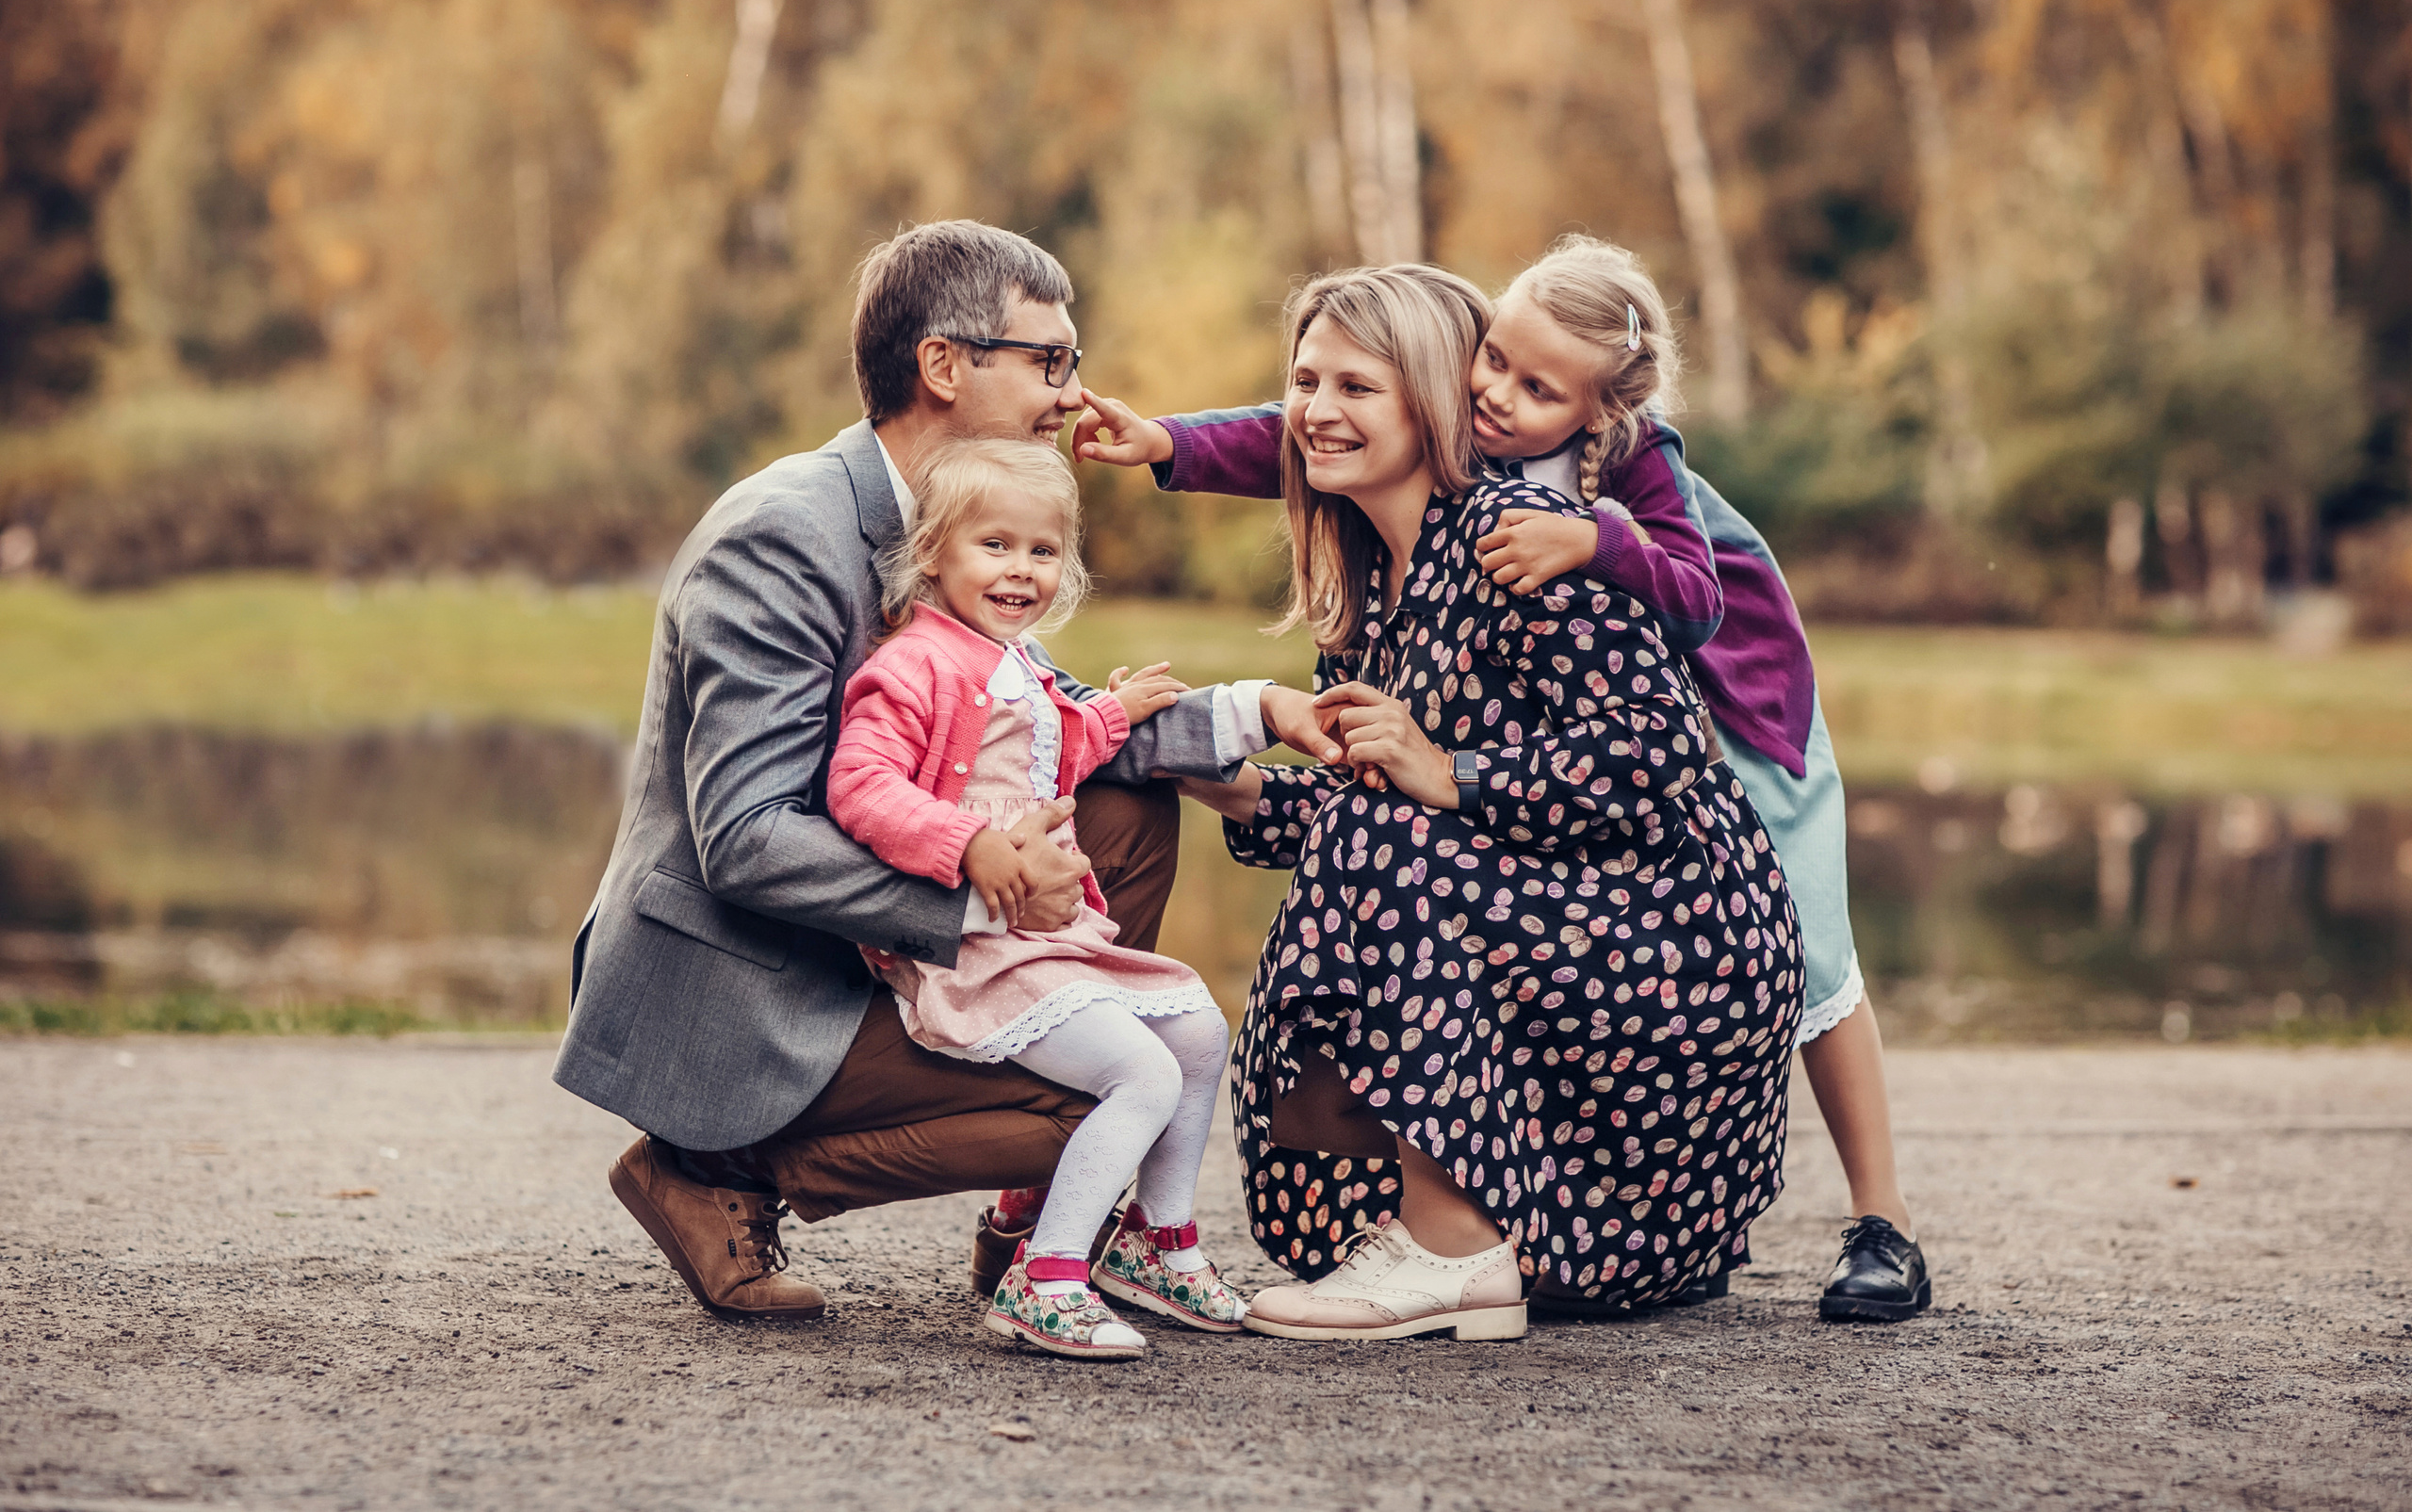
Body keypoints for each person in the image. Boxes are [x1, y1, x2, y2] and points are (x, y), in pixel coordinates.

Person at [1077, 236, 1932, 1324]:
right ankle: (1404, 1232)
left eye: (1354, 385)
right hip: (1597, 871)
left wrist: (1448, 766)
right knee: (1373, 832)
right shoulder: (1386, 564)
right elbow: (1286, 436)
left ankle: (1866, 1217)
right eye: (1305, 379)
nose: (1315, 408)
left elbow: (1662, 729)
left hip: (1735, 751)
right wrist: (1211, 771)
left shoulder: (1552, 528)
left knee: (1821, 956)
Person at [551, 219, 1330, 1323]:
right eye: (1049, 361)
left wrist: (1262, 720)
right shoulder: (780, 537)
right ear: (943, 366)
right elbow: (745, 836)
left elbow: (1050, 727)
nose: (1070, 394)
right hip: (742, 978)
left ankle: (1030, 1221)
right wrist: (980, 883)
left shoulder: (967, 521)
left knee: (1123, 809)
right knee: (1120, 1085)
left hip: (864, 932)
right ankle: (713, 1165)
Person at [826, 439, 1247, 1358]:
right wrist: (968, 844)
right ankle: (1046, 1273)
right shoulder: (912, 665)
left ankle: (1157, 1241)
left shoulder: (1006, 658)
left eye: (1042, 550)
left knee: (1202, 1032)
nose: (1021, 569)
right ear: (933, 551)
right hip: (970, 945)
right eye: (995, 546)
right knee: (1144, 1073)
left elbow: (1051, 750)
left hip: (1044, 937)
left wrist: (1118, 712)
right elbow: (859, 784)